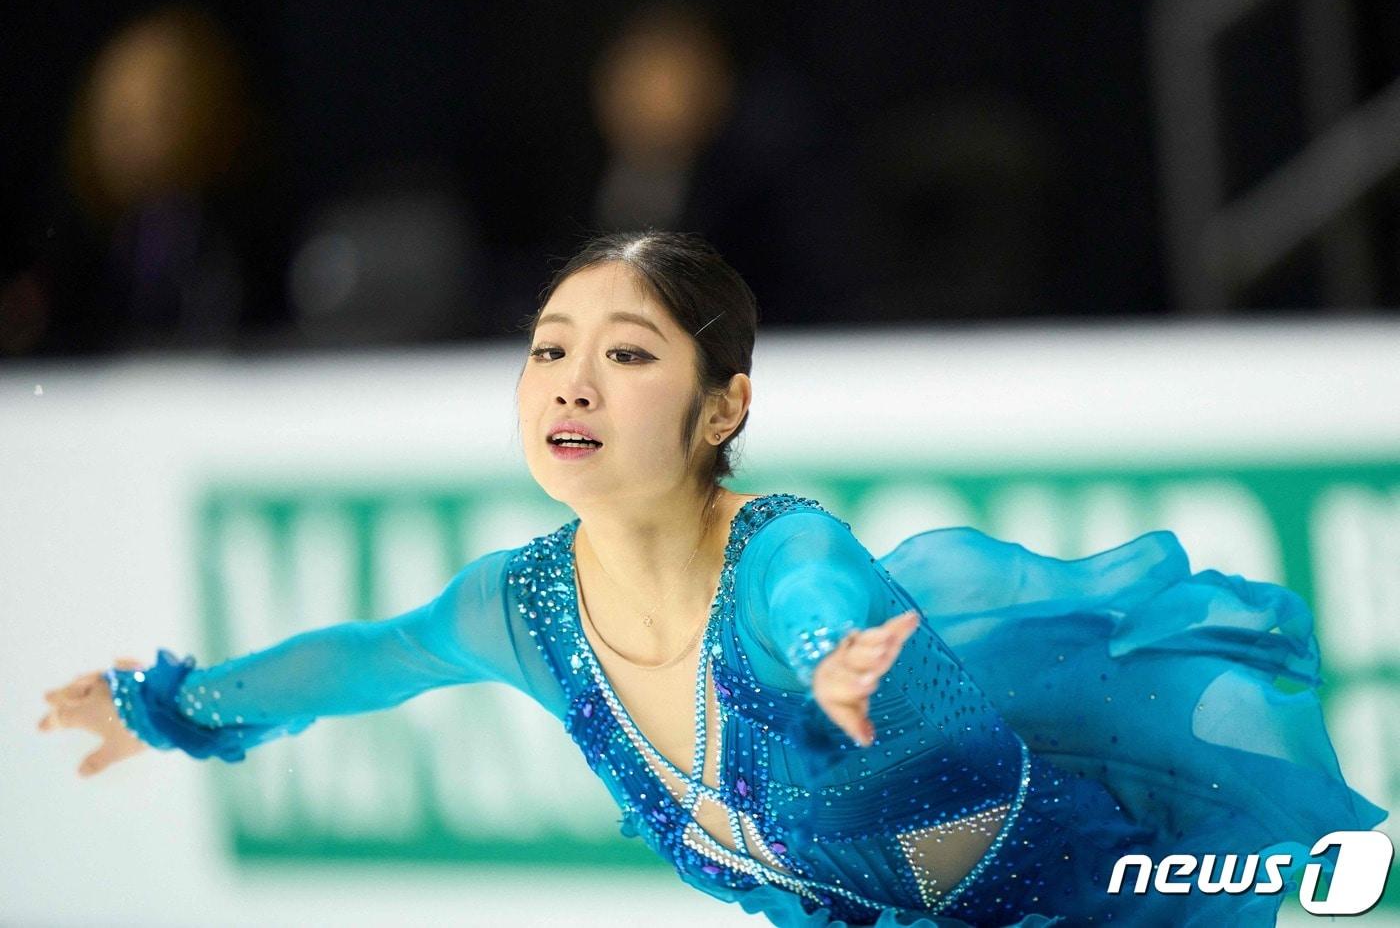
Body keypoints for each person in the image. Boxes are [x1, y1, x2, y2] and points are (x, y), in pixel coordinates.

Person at [39, 231, 1386, 926]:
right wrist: (169, 705)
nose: (571, 378)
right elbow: (365, 657)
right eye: (549, 346)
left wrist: (832, 654)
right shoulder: (525, 612)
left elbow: (820, 601)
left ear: (721, 404)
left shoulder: (783, 555)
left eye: (626, 354)